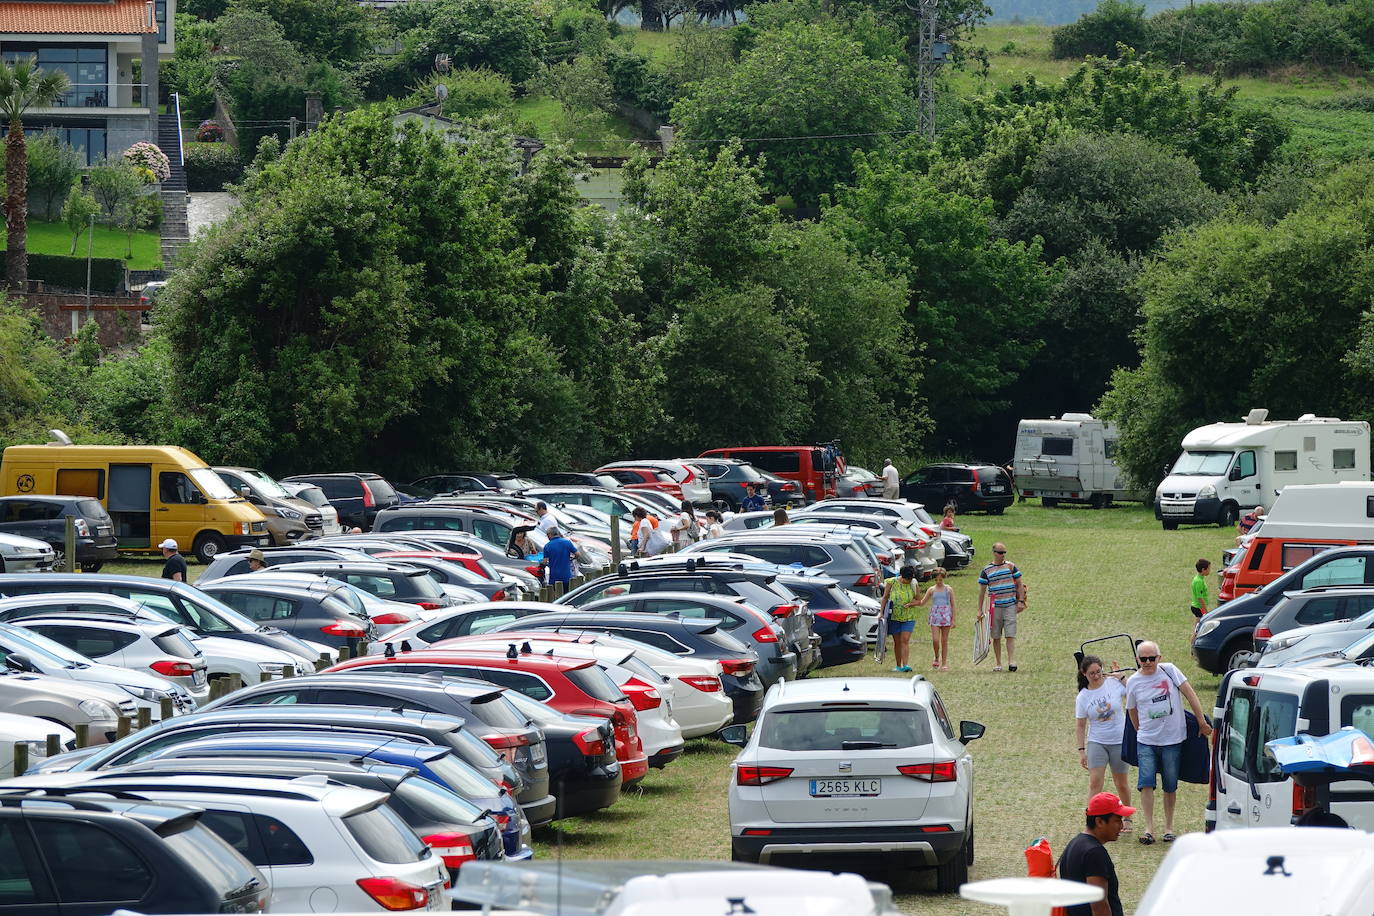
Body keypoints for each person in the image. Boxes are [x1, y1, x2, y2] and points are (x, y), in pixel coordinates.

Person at [1125, 640, 1213, 845]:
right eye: (1143, 659)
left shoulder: (1170, 671)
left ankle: (1168, 828)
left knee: (1170, 784)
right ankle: (1148, 828)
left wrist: (1201, 721)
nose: (1148, 662)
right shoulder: (1133, 681)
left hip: (1173, 739)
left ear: (1159, 658)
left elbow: (1190, 694)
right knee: (1146, 783)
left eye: (1152, 658)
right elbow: (1132, 710)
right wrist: (1140, 731)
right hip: (1146, 740)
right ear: (1138, 659)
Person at [1075, 656, 1132, 827]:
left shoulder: (1113, 684)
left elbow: (1135, 690)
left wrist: (1121, 677)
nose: (1096, 676)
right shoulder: (1083, 696)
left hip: (1119, 740)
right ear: (1084, 674)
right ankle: (1092, 819)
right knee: (1095, 782)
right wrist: (1081, 750)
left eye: (1098, 672)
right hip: (1097, 741)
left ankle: (1127, 817)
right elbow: (1080, 725)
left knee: (1121, 782)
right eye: (1092, 673)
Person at [1058, 793, 1134, 916]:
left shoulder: (1075, 843)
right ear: (1099, 821)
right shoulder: (1095, 854)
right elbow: (1099, 907)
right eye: (1117, 820)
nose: (1121, 825)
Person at [978, 542, 1025, 672]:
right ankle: (998, 663)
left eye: (1004, 552)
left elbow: (1020, 584)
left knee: (1010, 634)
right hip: (995, 607)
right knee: (996, 636)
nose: (1002, 555)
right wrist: (980, 609)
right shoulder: (986, 570)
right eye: (1000, 552)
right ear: (994, 553)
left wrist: (1020, 601)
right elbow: (982, 592)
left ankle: (1011, 661)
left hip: (1010, 604)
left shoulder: (1011, 566)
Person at [879, 565, 921, 673]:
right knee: (897, 641)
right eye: (907, 579)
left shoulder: (914, 583)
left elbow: (919, 601)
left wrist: (911, 604)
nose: (909, 581)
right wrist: (881, 612)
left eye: (911, 579)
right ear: (902, 576)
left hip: (908, 616)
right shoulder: (891, 582)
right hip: (894, 617)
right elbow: (885, 597)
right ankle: (898, 665)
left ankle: (905, 665)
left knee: (905, 639)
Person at [918, 567, 955, 670]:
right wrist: (913, 602)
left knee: (944, 640)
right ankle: (936, 657)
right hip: (935, 616)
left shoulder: (948, 589)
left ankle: (944, 663)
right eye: (936, 580)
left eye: (940, 580)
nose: (938, 582)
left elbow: (953, 605)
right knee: (935, 640)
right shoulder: (931, 589)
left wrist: (953, 619)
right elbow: (922, 602)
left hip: (946, 615)